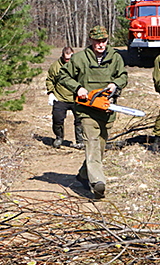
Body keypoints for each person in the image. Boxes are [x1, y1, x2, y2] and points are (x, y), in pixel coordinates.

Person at [59, 25, 128, 199]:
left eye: (103, 41)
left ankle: (83, 174)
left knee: (100, 147)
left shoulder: (115, 58)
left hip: (106, 110)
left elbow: (123, 76)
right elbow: (63, 75)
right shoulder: (80, 58)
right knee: (92, 143)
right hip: (86, 110)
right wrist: (78, 88)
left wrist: (116, 84)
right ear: (90, 40)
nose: (100, 44)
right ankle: (98, 183)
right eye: (97, 41)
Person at [46, 47, 83, 149]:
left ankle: (80, 141)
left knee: (80, 119)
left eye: (70, 58)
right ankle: (59, 137)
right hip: (60, 97)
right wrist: (51, 93)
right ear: (62, 56)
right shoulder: (55, 66)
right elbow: (50, 80)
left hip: (77, 97)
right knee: (57, 118)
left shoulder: (78, 64)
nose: (68, 60)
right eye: (66, 59)